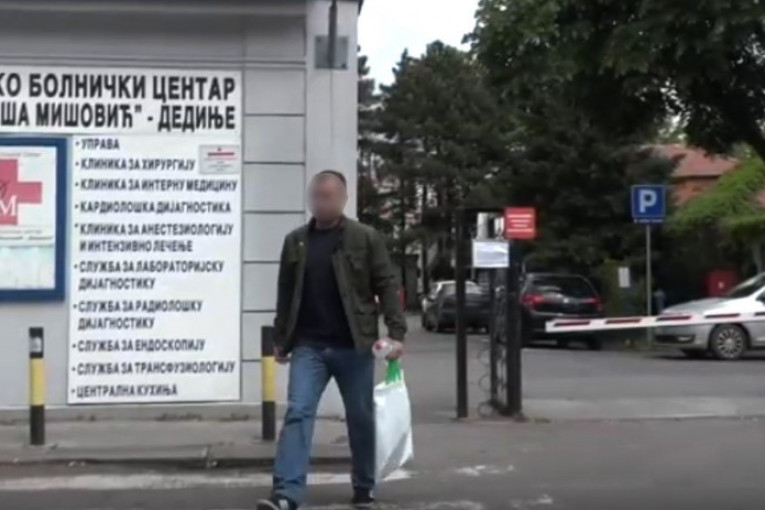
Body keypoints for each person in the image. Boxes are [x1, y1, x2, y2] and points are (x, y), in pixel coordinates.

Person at [257, 170, 407, 510]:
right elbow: (285, 291)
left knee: (360, 417)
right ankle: (287, 494)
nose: (321, 203)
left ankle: (364, 486)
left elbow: (386, 283)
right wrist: (282, 336)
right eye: (316, 196)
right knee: (298, 412)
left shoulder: (365, 238)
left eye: (328, 197)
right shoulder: (296, 241)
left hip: (354, 344)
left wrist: (396, 333)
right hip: (308, 346)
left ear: (343, 199)